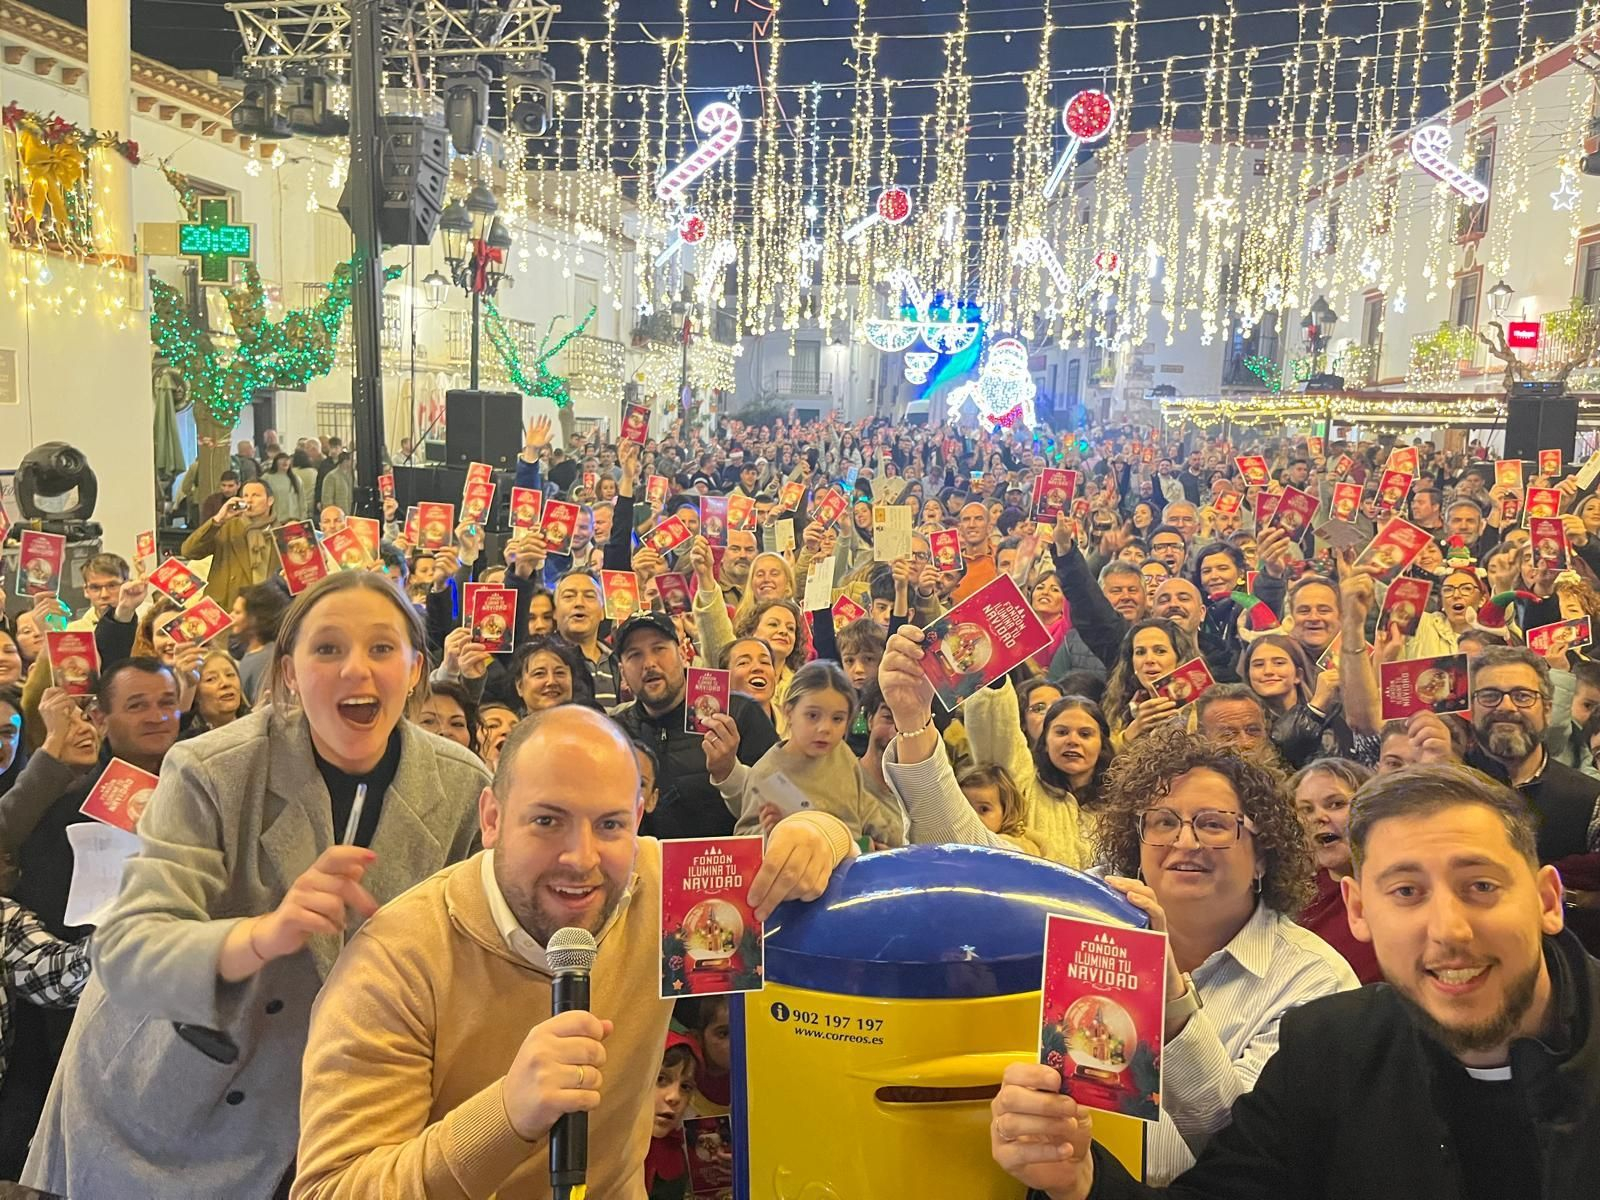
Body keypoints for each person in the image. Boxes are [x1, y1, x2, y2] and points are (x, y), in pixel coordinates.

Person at [22, 572, 488, 1200]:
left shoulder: (461, 785)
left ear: (415, 669)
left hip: (332, 1107)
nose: (357, 669)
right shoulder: (215, 769)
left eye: (382, 648)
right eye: (327, 649)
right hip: (165, 1093)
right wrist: (264, 934)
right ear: (289, 672)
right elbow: (127, 949)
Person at [289, 706, 855, 1198]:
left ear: (637, 820)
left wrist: (813, 836)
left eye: (609, 824)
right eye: (546, 821)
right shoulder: (396, 959)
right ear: (491, 818)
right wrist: (505, 1115)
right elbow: (333, 1188)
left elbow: (828, 837)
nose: (580, 859)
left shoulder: (668, 895)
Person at [990, 763, 1597, 1200]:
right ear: (1359, 911)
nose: (1450, 930)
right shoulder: (1331, 1045)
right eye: (1406, 892)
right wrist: (1082, 1181)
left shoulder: (1311, 982)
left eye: (1481, 887)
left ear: (1548, 899)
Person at [612, 612, 779, 839]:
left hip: (730, 867)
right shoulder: (615, 734)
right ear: (622, 672)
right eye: (635, 655)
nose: (649, 663)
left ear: (682, 653)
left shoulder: (738, 713)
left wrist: (729, 772)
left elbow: (784, 806)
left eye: (659, 649)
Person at [713, 661, 905, 847]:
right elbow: (744, 838)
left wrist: (891, 838)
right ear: (789, 712)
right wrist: (770, 834)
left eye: (837, 719)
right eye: (812, 715)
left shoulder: (842, 753)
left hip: (852, 864)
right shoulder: (766, 773)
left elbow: (863, 806)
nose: (825, 728)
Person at [1460, 646, 1599, 862]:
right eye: (1489, 695)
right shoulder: (1449, 786)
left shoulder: (1590, 800)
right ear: (1471, 709)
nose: (1506, 706)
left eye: (1522, 696)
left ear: (1547, 710)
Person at [1291, 757, 1382, 983]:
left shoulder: (1394, 890)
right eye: (1306, 809)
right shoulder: (1295, 894)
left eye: (1336, 804)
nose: (1319, 818)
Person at [180, 477, 282, 610]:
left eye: (256, 495)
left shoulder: (282, 533)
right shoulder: (228, 527)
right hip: (227, 608)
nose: (249, 500)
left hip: (266, 611)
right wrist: (218, 520)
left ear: (270, 500)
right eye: (245, 495)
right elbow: (189, 551)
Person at [957, 763, 1040, 853]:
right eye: (965, 807)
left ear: (1007, 812)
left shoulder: (1012, 849)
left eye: (984, 809)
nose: (972, 815)